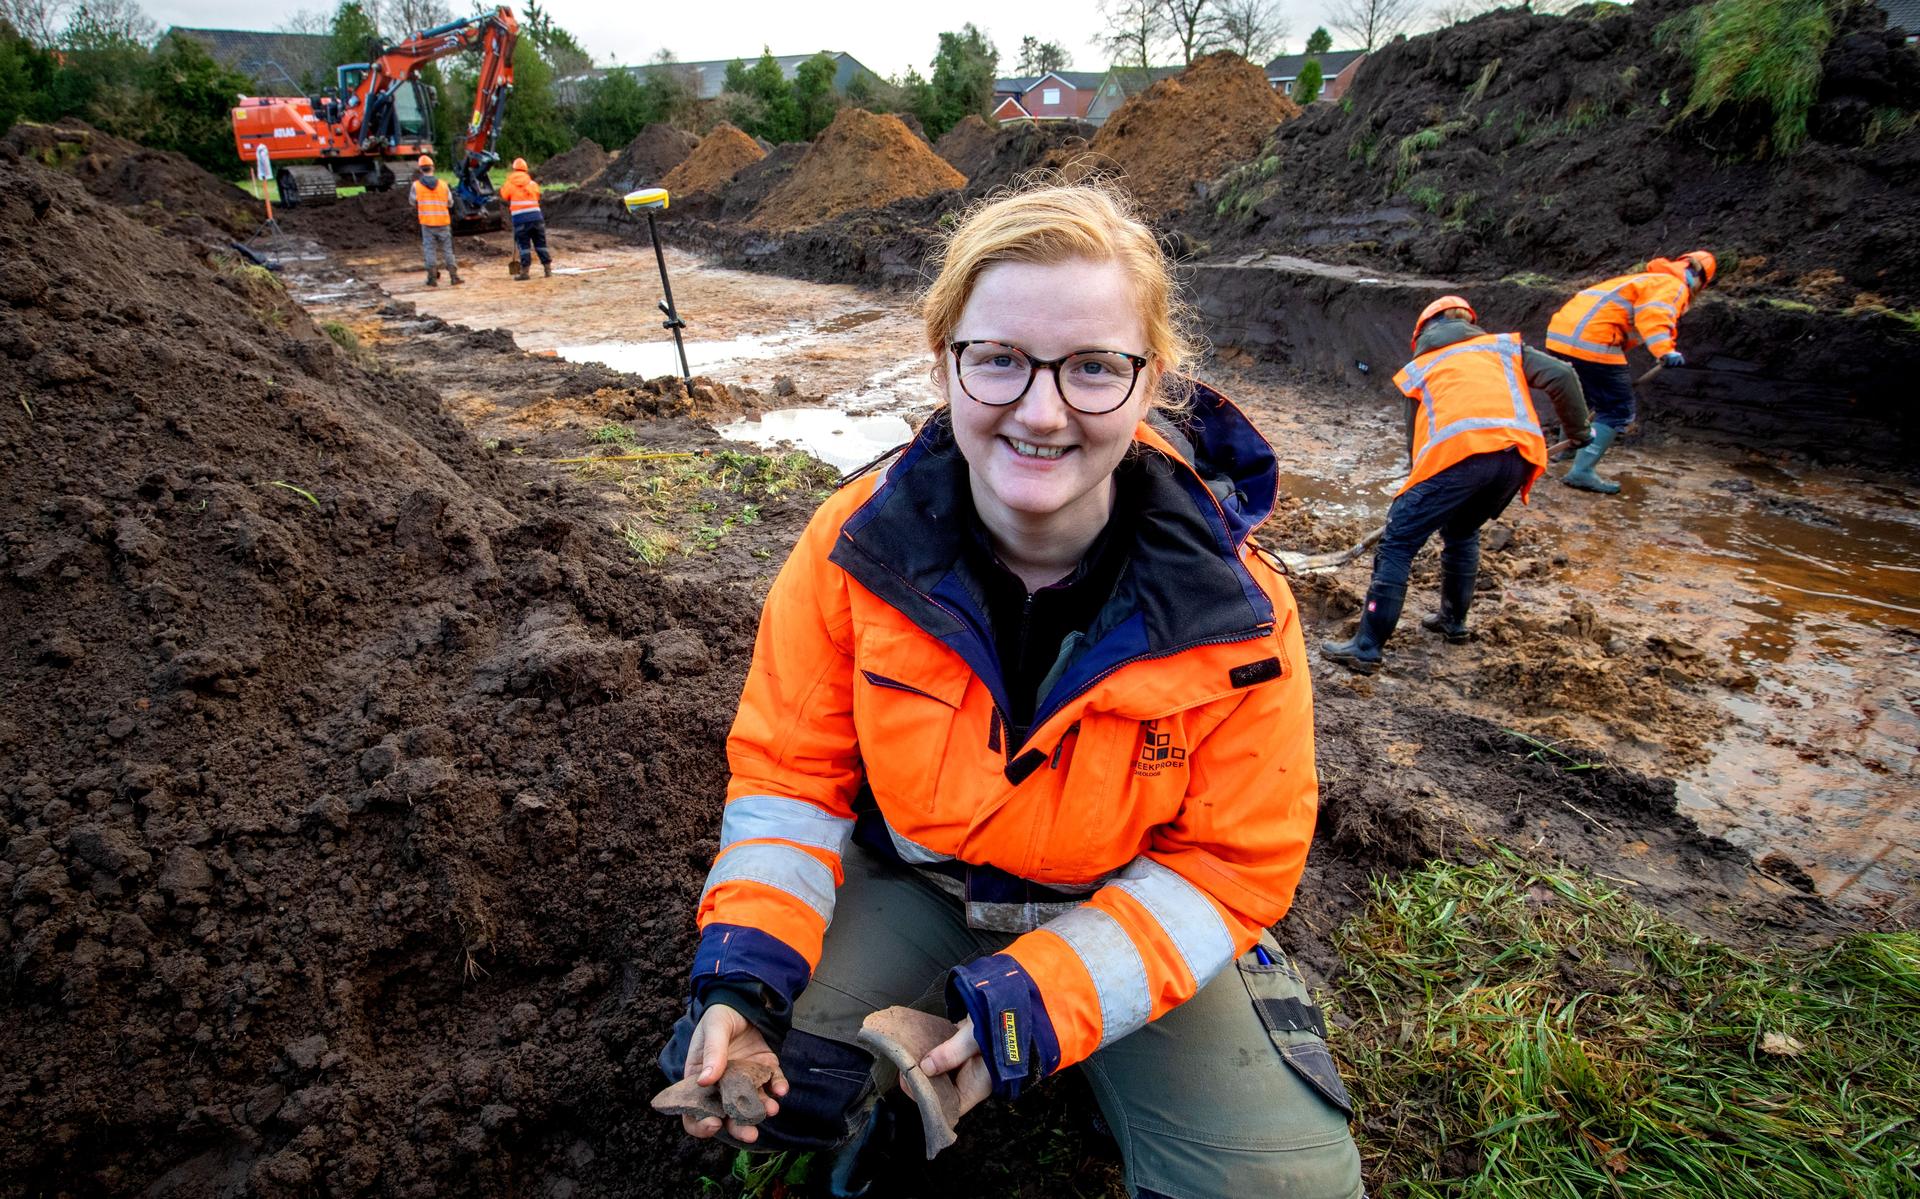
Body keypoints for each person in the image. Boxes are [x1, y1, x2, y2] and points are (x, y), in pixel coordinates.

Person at [658, 183, 1363, 1199]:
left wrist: (1040, 998)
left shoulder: (1239, 613)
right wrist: (739, 978)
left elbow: (1229, 865)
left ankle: (1034, 1039)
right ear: (945, 358)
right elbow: (791, 781)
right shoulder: (851, 551)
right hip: (920, 888)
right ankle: (925, 1058)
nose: (1040, 411)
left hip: (1126, 910)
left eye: (1091, 367)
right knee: (778, 1088)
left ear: (1151, 378)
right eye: (998, 359)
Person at [1321, 296, 1592, 675]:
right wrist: (1580, 432)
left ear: (1422, 333)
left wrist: (1418, 499)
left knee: (1398, 542)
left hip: (1459, 459)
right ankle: (1454, 622)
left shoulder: (1421, 367)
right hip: (1515, 457)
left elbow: (1416, 446)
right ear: (1469, 323)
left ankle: (1365, 647)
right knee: (1463, 532)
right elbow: (1562, 376)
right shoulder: (1502, 348)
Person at [1544, 250, 1715, 493]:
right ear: (1701, 279)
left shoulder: (1642, 279)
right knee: (1616, 408)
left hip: (1560, 338)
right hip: (1592, 342)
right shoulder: (1672, 285)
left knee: (1582, 397)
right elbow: (1655, 315)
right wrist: (1665, 351)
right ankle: (1581, 472)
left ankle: (1568, 451)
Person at [409, 155, 460, 287]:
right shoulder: (443, 185)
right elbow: (450, 203)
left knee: (429, 250)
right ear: (433, 168)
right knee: (448, 250)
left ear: (421, 169)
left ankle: (432, 278)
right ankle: (454, 277)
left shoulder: (416, 186)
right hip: (443, 222)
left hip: (427, 223)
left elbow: (412, 202)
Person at [498, 156, 552, 280]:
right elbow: (538, 196)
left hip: (520, 219)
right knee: (541, 244)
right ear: (526, 170)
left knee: (524, 246)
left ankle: (525, 272)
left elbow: (504, 196)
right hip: (536, 218)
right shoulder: (532, 184)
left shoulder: (509, 184)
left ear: (514, 169)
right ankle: (547, 270)